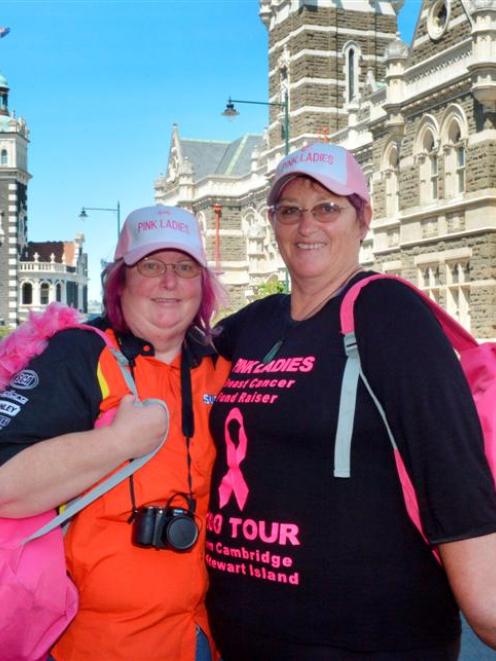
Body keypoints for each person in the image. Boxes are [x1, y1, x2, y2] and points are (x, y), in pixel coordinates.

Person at [205, 143, 496, 660]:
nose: (306, 225)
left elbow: (451, 470)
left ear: (363, 218)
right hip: (240, 632)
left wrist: (487, 610)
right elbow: (162, 359)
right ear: (272, 223)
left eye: (327, 208)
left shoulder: (388, 312)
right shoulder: (253, 324)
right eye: (289, 210)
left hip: (366, 641)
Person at [0, 205, 230, 661]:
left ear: (201, 286)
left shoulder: (218, 364)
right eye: (151, 265)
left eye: (185, 267)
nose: (169, 281)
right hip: (85, 642)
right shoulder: (79, 355)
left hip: (198, 635)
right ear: (120, 280)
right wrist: (117, 444)